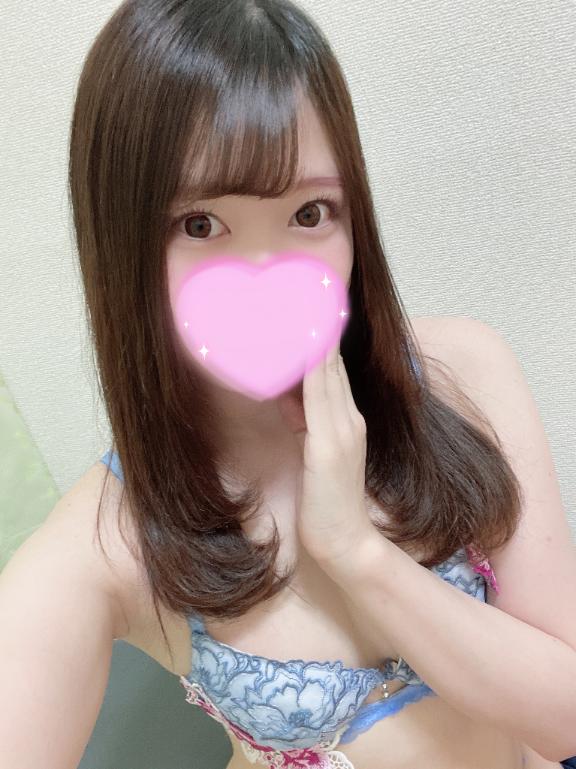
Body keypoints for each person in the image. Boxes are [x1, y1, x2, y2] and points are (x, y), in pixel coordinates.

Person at [2, 1, 575, 768]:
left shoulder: (460, 373)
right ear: (122, 244)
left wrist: (358, 552)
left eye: (309, 212)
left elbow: (567, 717)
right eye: (200, 224)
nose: (268, 277)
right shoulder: (109, 541)